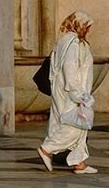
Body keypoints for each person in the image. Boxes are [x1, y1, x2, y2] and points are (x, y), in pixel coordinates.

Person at [37, 10, 98, 175]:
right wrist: (79, 95)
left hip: (66, 91)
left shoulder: (68, 41)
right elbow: (70, 71)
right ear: (79, 25)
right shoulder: (71, 44)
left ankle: (79, 163)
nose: (88, 29)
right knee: (74, 126)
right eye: (86, 26)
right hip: (70, 92)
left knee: (80, 125)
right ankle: (47, 149)